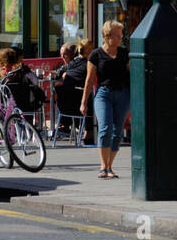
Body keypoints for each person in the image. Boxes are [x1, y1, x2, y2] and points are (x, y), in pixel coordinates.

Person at [81, 19, 129, 179]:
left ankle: (109, 166)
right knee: (105, 128)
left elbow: (133, 73)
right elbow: (89, 80)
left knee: (117, 132)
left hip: (122, 94)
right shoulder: (96, 54)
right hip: (103, 93)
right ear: (107, 36)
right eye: (117, 34)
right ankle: (103, 166)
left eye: (121, 34)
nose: (120, 37)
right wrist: (83, 102)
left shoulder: (124, 53)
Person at [51, 42, 88, 133]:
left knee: (60, 91)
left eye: (65, 55)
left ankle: (64, 124)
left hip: (78, 106)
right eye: (61, 55)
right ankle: (65, 124)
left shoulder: (75, 64)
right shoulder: (79, 64)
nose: (62, 57)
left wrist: (63, 75)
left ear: (73, 54)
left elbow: (56, 74)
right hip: (79, 106)